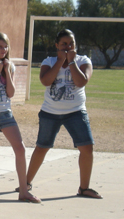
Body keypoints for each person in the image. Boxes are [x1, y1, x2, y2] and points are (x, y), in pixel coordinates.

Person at [24, 29, 102, 199]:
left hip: (75, 112)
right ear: (56, 45)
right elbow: (45, 81)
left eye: (71, 44)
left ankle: (84, 188)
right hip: (50, 112)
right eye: (64, 44)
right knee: (42, 147)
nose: (68, 47)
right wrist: (60, 62)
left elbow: (81, 82)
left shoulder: (83, 61)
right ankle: (26, 183)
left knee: (87, 148)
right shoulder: (49, 61)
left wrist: (71, 62)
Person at [0, 32, 40, 203]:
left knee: (20, 149)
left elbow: (10, 93)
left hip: (5, 113)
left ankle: (23, 191)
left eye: (5, 46)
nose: (4, 50)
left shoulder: (9, 66)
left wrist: (6, 71)